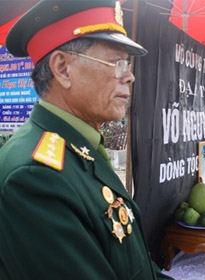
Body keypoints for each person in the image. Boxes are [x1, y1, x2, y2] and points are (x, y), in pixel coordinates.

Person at [0, 1, 173, 279]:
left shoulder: (80, 148)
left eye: (127, 64)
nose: (130, 76)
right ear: (63, 69)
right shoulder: (36, 177)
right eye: (117, 63)